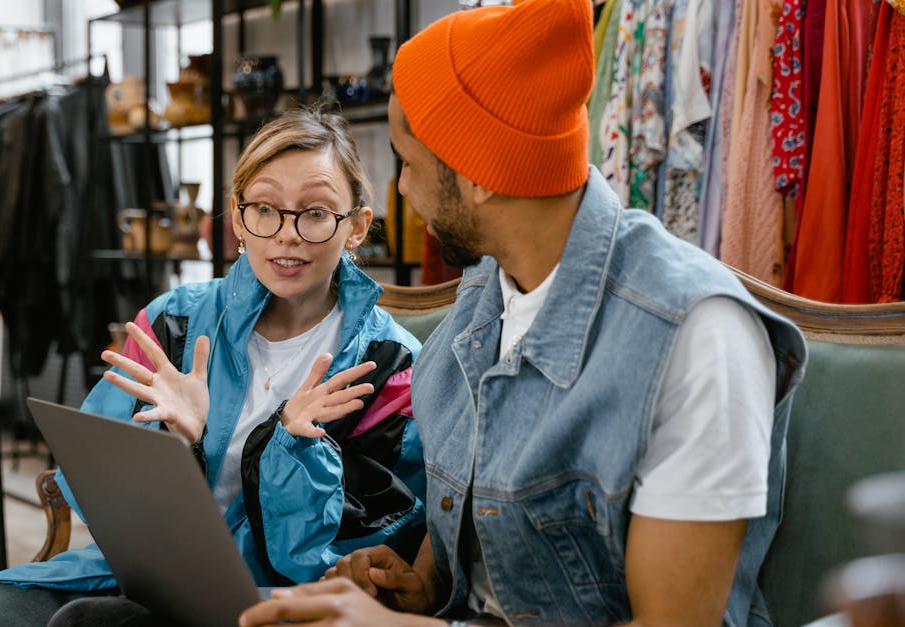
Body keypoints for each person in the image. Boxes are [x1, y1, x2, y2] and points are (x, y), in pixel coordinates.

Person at [240, 2, 809, 626]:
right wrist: (420, 585)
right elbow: (473, 525)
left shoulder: (696, 336)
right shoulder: (487, 291)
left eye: (409, 162)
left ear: (478, 174)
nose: (402, 189)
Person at [0, 107, 427, 626]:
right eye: (264, 208)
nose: (286, 233)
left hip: (279, 604)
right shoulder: (175, 322)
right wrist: (176, 443)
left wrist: (293, 447)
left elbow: (358, 559)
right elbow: (94, 490)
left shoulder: (391, 367)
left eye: (315, 213)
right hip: (130, 580)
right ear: (237, 218)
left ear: (357, 225)